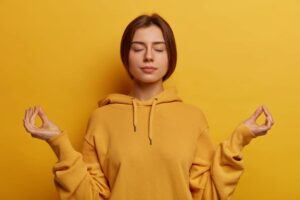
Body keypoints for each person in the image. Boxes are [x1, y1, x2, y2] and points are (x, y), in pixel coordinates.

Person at [23, 13, 274, 200]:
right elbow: (89, 196)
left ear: (170, 56)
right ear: (127, 56)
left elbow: (208, 193)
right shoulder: (101, 118)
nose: (149, 57)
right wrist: (58, 142)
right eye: (138, 48)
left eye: (159, 48)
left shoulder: (193, 118)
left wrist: (241, 138)